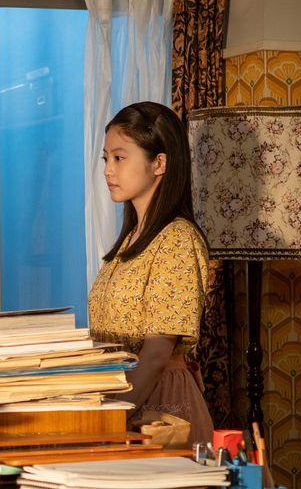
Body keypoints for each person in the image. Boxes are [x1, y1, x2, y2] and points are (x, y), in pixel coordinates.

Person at [87, 101, 213, 444]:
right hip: (124, 393)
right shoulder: (131, 239)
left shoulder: (177, 239)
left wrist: (113, 417)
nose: (108, 170)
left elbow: (156, 354)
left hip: (158, 405)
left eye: (119, 158)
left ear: (159, 163)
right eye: (105, 159)